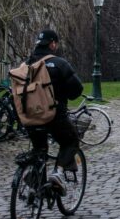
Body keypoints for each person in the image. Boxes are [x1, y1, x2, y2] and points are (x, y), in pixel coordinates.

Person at [26, 28, 83, 195]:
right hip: (54, 117)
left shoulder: (27, 64)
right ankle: (58, 172)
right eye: (55, 44)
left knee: (39, 150)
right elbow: (77, 89)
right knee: (71, 141)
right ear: (52, 44)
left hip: (30, 117)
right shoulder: (59, 63)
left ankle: (35, 188)